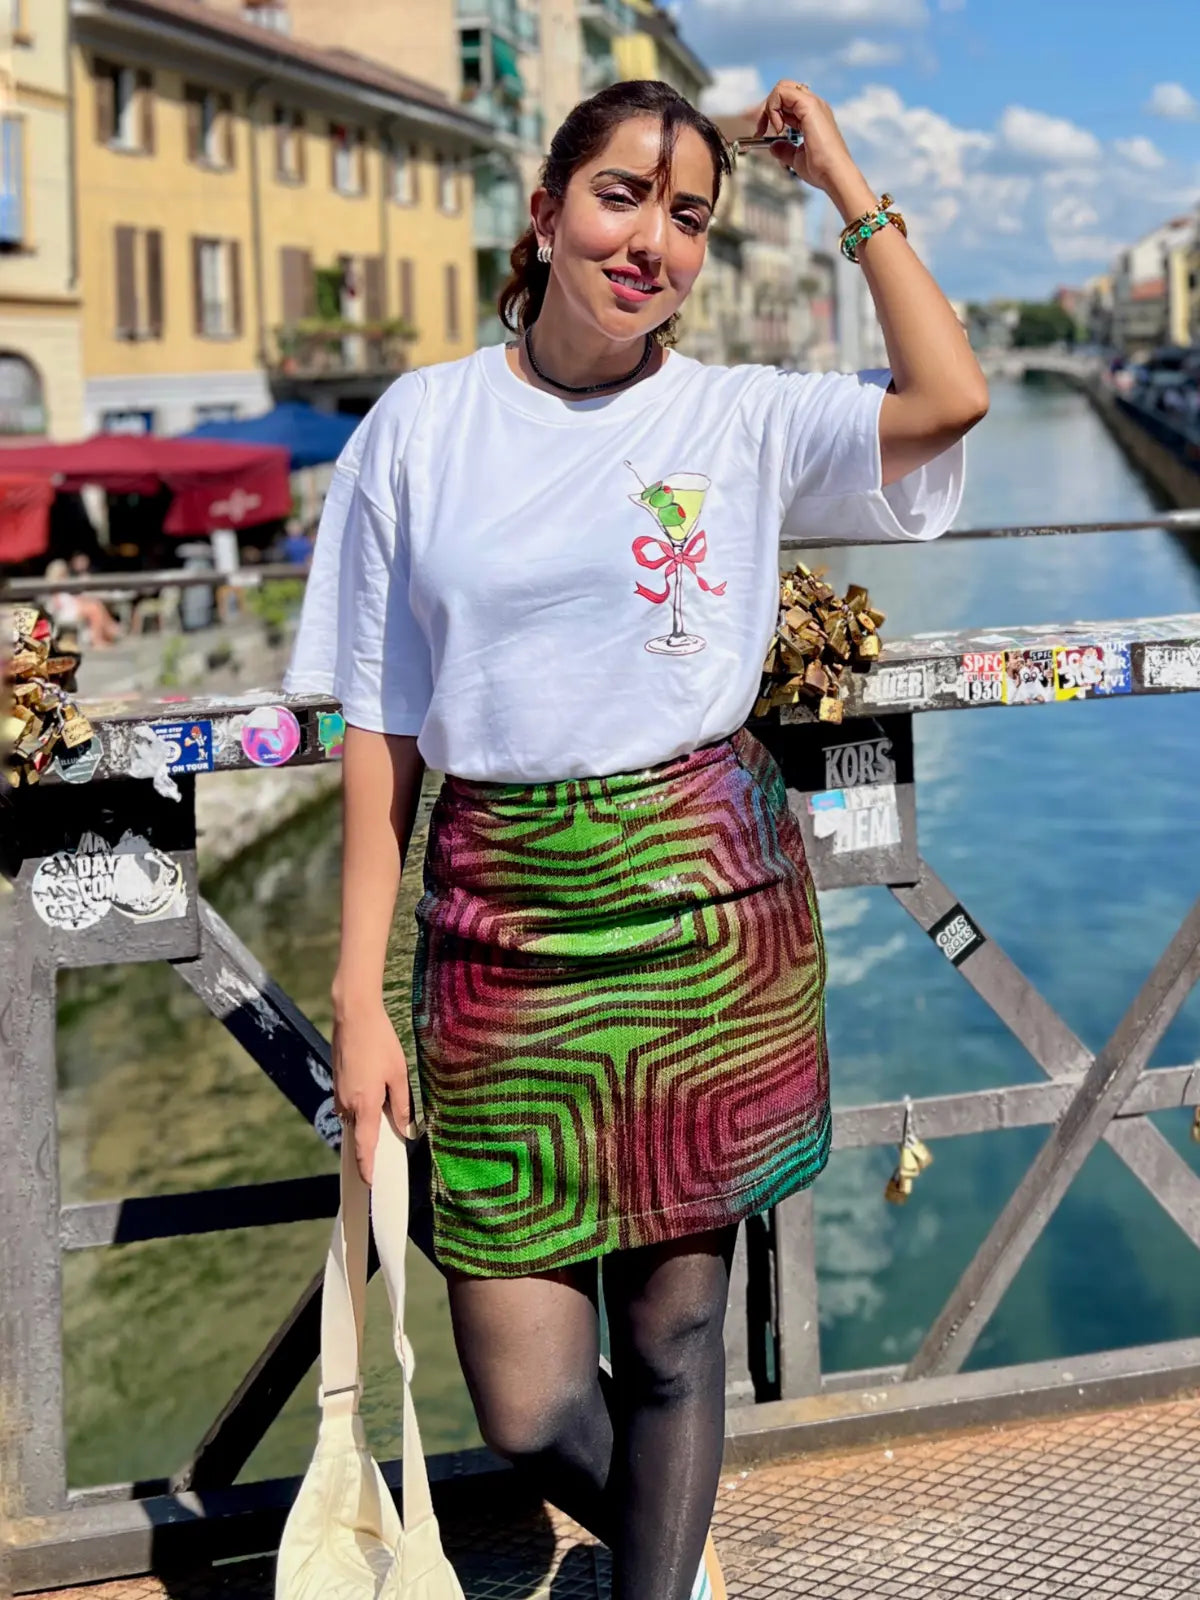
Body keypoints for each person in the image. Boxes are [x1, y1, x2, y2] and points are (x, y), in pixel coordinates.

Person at [284, 78, 987, 1600]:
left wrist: (845, 184)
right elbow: (382, 729)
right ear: (543, 216)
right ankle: (674, 1546)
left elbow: (948, 400)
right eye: (619, 196)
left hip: (706, 917)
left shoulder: (735, 414)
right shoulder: (422, 425)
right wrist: (359, 991)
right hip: (498, 930)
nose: (651, 240)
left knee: (675, 1350)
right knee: (530, 1407)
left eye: (687, 214)